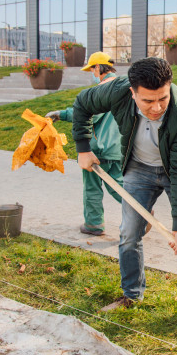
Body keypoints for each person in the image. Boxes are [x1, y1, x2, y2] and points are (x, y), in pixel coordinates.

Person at [70, 57, 177, 343]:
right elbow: (82, 104)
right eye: (148, 100)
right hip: (138, 169)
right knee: (128, 232)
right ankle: (131, 295)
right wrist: (83, 148)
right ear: (132, 92)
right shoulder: (114, 90)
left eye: (163, 97)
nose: (157, 106)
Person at [46, 52, 123, 236]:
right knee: (118, 185)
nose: (92, 73)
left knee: (92, 188)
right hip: (118, 147)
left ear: (98, 68)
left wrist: (61, 114)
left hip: (97, 148)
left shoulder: (103, 88)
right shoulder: (121, 87)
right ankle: (141, 211)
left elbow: (87, 113)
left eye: (92, 69)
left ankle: (94, 224)